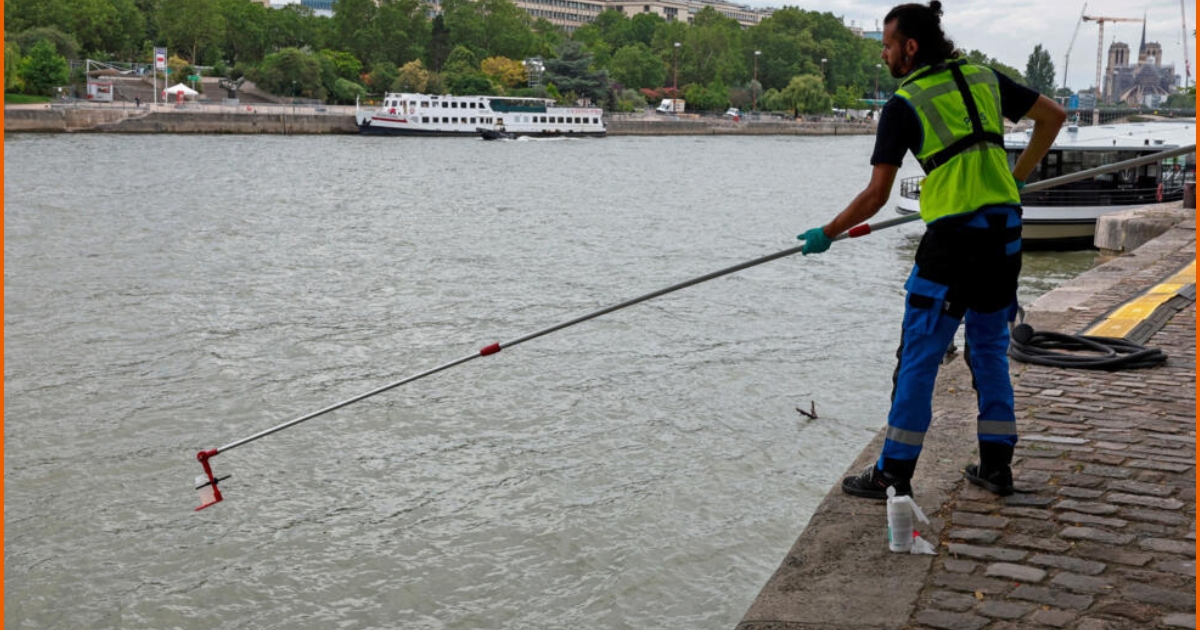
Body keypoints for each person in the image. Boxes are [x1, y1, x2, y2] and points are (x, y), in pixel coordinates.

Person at [797, 1, 1066, 499]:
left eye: (886, 45)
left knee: (918, 357)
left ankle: (892, 474)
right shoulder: (985, 77)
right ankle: (996, 468)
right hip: (1005, 236)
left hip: (953, 246)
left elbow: (877, 196)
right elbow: (1054, 116)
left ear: (910, 47)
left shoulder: (904, 103)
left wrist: (827, 233)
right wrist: (1017, 177)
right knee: (988, 351)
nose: (883, 54)